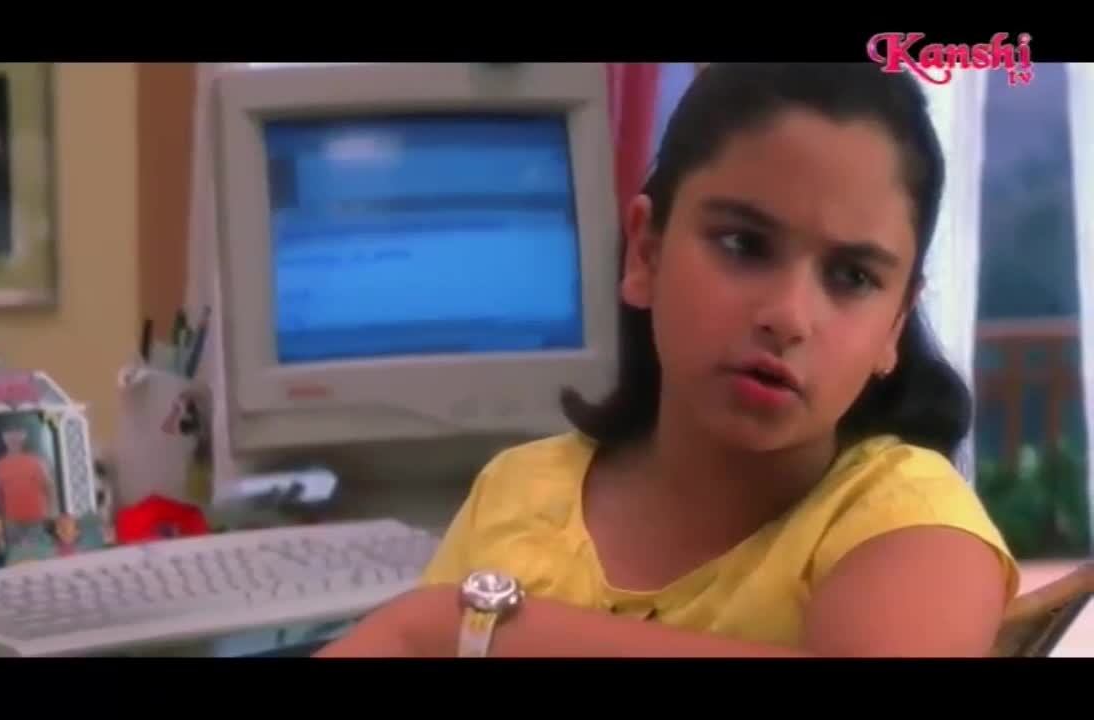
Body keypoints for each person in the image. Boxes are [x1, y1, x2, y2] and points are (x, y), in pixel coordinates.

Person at [317, 63, 1020, 658]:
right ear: (646, 252)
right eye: (744, 245)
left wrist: (457, 626)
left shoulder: (907, 517)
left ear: (896, 323)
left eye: (852, 278)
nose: (789, 315)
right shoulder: (517, 490)